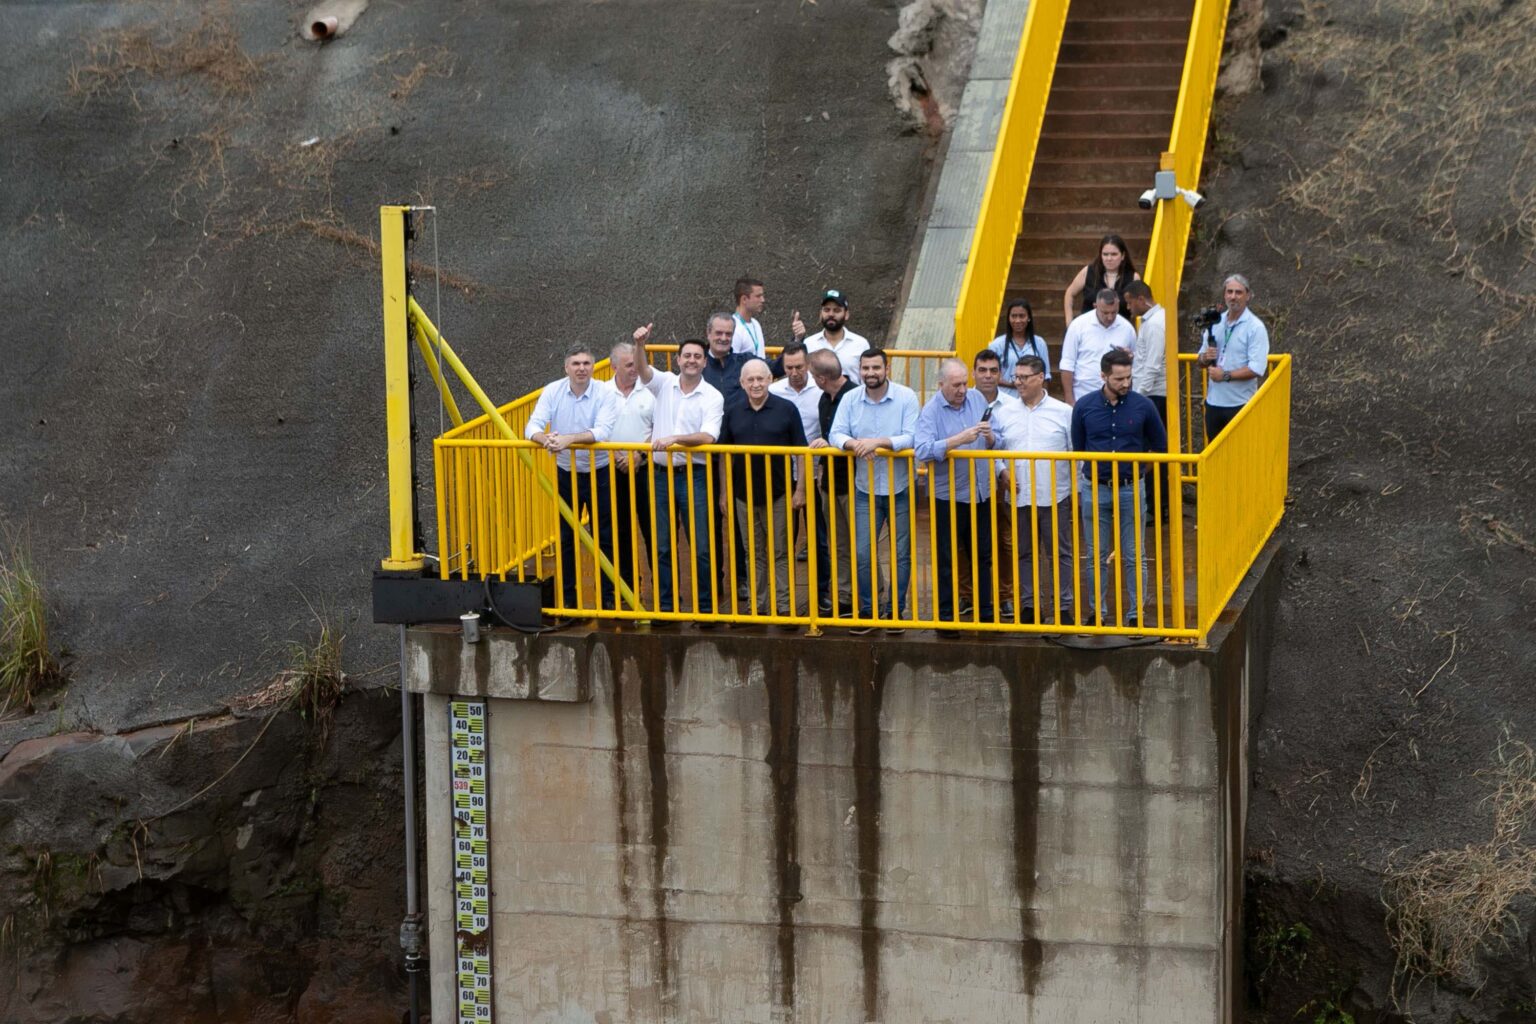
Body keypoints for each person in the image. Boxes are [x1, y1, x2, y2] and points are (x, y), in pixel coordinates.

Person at [633, 325, 725, 624]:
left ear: (704, 362)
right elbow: (643, 371)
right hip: (659, 475)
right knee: (661, 545)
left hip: (693, 475)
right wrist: (640, 344)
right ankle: (666, 607)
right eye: (687, 356)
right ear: (678, 359)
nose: (692, 360)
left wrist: (675, 439)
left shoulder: (712, 396)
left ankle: (706, 609)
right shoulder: (665, 383)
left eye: (697, 356)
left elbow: (710, 437)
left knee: (701, 546)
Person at [1071, 349, 1167, 630]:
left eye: (1128, 377)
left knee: (1134, 554)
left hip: (1130, 487)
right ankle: (1097, 613)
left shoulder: (1143, 406)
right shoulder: (1085, 406)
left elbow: (1159, 447)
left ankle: (1136, 613)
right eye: (1119, 378)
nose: (1126, 383)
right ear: (1103, 376)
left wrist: (1137, 473)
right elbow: (1080, 447)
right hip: (1095, 488)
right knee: (1095, 555)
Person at [828, 348, 920, 635]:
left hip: (900, 488)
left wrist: (878, 442)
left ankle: (894, 611)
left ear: (887, 368)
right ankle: (868, 611)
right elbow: (835, 433)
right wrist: (854, 445)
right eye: (865, 368)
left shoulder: (906, 396)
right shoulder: (850, 399)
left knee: (901, 553)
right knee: (863, 553)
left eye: (876, 368)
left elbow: (913, 435)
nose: (870, 373)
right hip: (864, 488)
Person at [525, 344, 621, 617]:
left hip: (599, 471)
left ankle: (608, 598)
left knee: (605, 536)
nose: (581, 368)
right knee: (566, 537)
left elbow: (602, 431)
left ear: (593, 366)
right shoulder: (553, 390)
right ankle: (568, 599)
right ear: (566, 367)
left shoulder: (604, 392)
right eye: (576, 364)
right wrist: (546, 440)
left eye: (586, 364)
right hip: (566, 472)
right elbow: (532, 426)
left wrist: (567, 439)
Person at [717, 359, 807, 622]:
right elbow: (723, 455)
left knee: (780, 550)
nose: (756, 384)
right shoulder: (733, 411)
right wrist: (725, 493)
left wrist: (799, 490)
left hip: (778, 492)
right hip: (743, 494)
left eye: (761, 379)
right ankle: (758, 605)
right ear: (742, 383)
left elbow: (801, 452)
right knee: (752, 551)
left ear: (770, 380)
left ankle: (784, 605)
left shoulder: (787, 409)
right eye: (750, 380)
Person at [991, 355, 1075, 625]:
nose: (1018, 383)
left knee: (1060, 553)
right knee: (1024, 552)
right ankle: (1028, 605)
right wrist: (1001, 471)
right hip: (1019, 494)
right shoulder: (1004, 413)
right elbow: (995, 452)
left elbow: (1076, 453)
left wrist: (1074, 490)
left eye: (1024, 377)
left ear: (1041, 378)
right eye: (1016, 377)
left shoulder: (1063, 412)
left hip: (1055, 494)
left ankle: (1063, 606)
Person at [914, 358, 996, 636]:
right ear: (941, 385)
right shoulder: (931, 410)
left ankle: (986, 614)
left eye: (964, 383)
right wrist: (957, 441)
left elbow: (998, 439)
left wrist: (990, 438)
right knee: (947, 558)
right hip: (947, 496)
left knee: (983, 555)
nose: (962, 389)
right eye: (956, 385)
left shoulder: (977, 399)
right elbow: (922, 450)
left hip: (981, 492)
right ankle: (947, 618)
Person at [809, 349, 857, 616]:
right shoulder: (824, 399)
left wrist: (832, 443)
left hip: (852, 480)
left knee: (860, 542)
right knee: (837, 543)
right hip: (830, 480)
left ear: (821, 378)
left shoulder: (854, 397)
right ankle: (845, 595)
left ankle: (871, 593)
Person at [607, 341, 655, 599]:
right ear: (614, 366)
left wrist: (638, 453)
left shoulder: (652, 389)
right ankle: (627, 589)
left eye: (637, 363)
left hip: (646, 469)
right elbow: (596, 427)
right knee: (620, 530)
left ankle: (662, 589)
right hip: (611, 469)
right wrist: (614, 454)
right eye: (629, 365)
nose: (635, 369)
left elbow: (661, 427)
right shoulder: (601, 392)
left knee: (654, 530)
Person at [1196, 273, 1270, 439]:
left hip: (1240, 405)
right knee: (1216, 458)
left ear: (1248, 295)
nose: (1233, 297)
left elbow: (1257, 368)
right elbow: (1200, 361)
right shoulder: (1215, 323)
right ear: (1224, 295)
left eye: (1238, 292)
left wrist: (1226, 375)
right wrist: (1205, 358)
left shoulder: (1255, 327)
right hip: (1214, 403)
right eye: (1229, 292)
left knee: (1241, 459)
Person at [769, 341, 823, 562]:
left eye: (799, 367)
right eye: (789, 367)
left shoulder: (821, 390)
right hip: (781, 474)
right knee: (782, 536)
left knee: (821, 534)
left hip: (815, 473)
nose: (794, 373)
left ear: (808, 364)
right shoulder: (773, 391)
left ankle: (822, 588)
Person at [1059, 289, 1137, 405]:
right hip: (1083, 394)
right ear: (1095, 306)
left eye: (1114, 312)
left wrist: (1130, 357)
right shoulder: (1078, 326)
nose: (1110, 317)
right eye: (1105, 313)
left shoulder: (1127, 329)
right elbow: (1067, 364)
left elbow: (1135, 365)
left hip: (1117, 397)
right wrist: (1070, 399)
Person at [1062, 233, 1140, 325]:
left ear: (1123, 256)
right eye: (1105, 254)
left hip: (1118, 331)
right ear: (1100, 255)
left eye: (1114, 254)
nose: (1109, 258)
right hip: (1088, 329)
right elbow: (1070, 293)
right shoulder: (1088, 272)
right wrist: (1069, 322)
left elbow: (1137, 306)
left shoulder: (1133, 277)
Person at [1124, 281, 1167, 427]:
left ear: (1141, 299)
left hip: (1153, 395)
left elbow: (1153, 365)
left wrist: (1138, 395)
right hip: (1151, 394)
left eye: (1130, 303)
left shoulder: (1154, 324)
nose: (1128, 307)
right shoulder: (1154, 320)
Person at [802, 288, 870, 379]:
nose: (831, 314)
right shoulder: (809, 343)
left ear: (846, 314)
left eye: (837, 310)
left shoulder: (861, 344)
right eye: (826, 310)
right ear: (820, 314)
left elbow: (866, 378)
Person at [731, 277, 806, 358]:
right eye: (758, 296)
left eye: (762, 296)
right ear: (744, 299)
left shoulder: (755, 323)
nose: (763, 300)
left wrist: (797, 339)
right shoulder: (732, 328)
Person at [988, 297, 1052, 390]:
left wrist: (1043, 399)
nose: (1017, 320)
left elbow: (1045, 376)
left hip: (1033, 399)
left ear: (1029, 318)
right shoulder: (997, 345)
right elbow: (990, 375)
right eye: (1014, 316)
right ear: (1008, 318)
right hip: (1006, 399)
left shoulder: (1039, 343)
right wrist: (1012, 384)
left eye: (1022, 316)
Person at [703, 312, 753, 407]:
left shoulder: (745, 361)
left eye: (728, 334)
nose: (723, 338)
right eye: (719, 333)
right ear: (708, 333)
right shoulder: (696, 363)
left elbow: (778, 366)